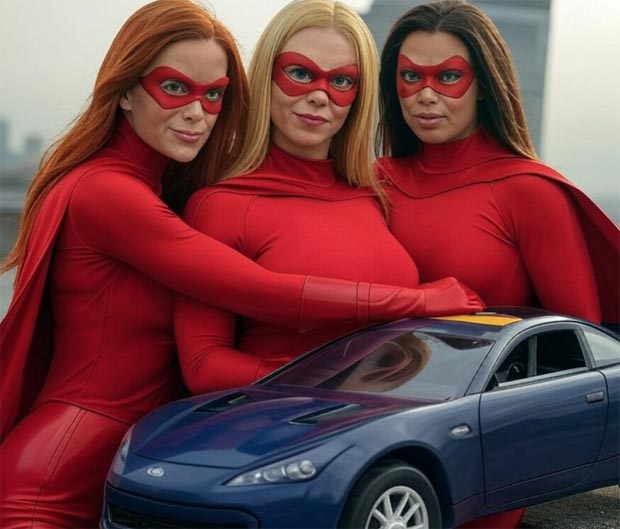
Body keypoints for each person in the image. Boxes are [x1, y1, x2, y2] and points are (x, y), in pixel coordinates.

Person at [0, 1, 481, 527]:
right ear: (123, 90)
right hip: (57, 477)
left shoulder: (168, 187)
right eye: (174, 87)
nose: (196, 111)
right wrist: (410, 312)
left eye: (213, 95)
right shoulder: (107, 193)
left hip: (147, 469)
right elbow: (254, 291)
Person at [374, 1, 620, 528]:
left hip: (484, 444)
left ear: (483, 84)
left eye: (449, 77)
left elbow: (579, 346)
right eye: (410, 75)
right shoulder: (370, 179)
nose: (426, 94)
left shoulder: (528, 191)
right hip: (363, 429)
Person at [174, 0, 483, 396]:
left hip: (395, 432)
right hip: (287, 437)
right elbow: (203, 366)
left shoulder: (374, 196)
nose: (320, 96)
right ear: (266, 76)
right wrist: (335, 381)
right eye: (300, 73)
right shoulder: (220, 205)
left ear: (359, 94)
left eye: (341, 82)